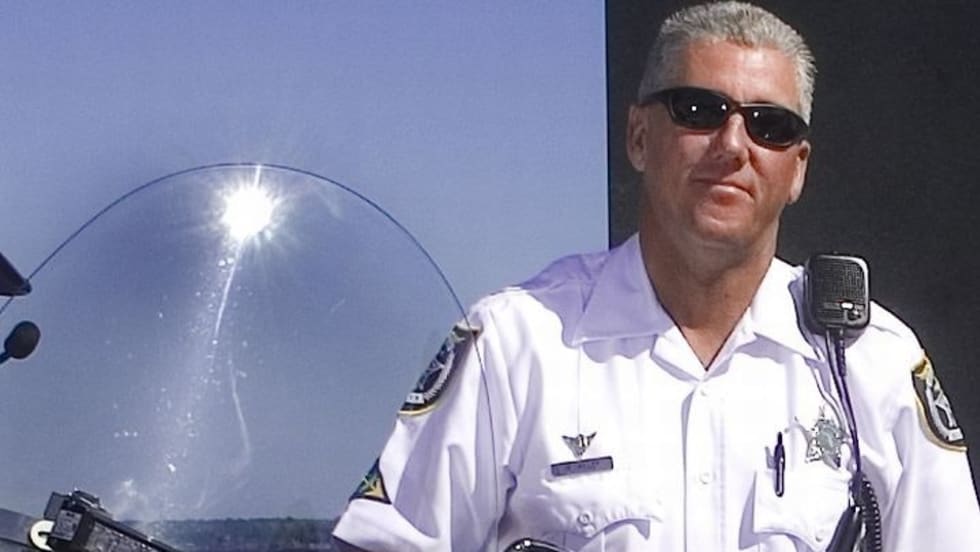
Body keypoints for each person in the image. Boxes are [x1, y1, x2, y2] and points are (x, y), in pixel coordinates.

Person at [332, 2, 980, 550]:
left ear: (798, 167)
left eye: (770, 125)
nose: (734, 144)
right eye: (699, 110)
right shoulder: (515, 347)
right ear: (639, 137)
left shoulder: (872, 366)